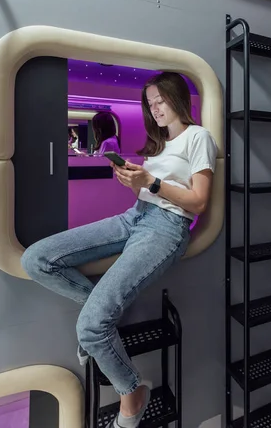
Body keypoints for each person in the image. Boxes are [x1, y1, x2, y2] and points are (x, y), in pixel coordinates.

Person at [21, 71, 218, 428]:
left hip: (167, 228)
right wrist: (136, 183)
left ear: (177, 98)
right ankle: (98, 312)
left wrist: (151, 182)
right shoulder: (161, 145)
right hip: (135, 217)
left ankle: (133, 393)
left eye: (160, 100)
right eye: (150, 103)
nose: (155, 108)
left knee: (91, 329)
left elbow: (199, 201)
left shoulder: (198, 137)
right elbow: (151, 192)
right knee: (37, 258)